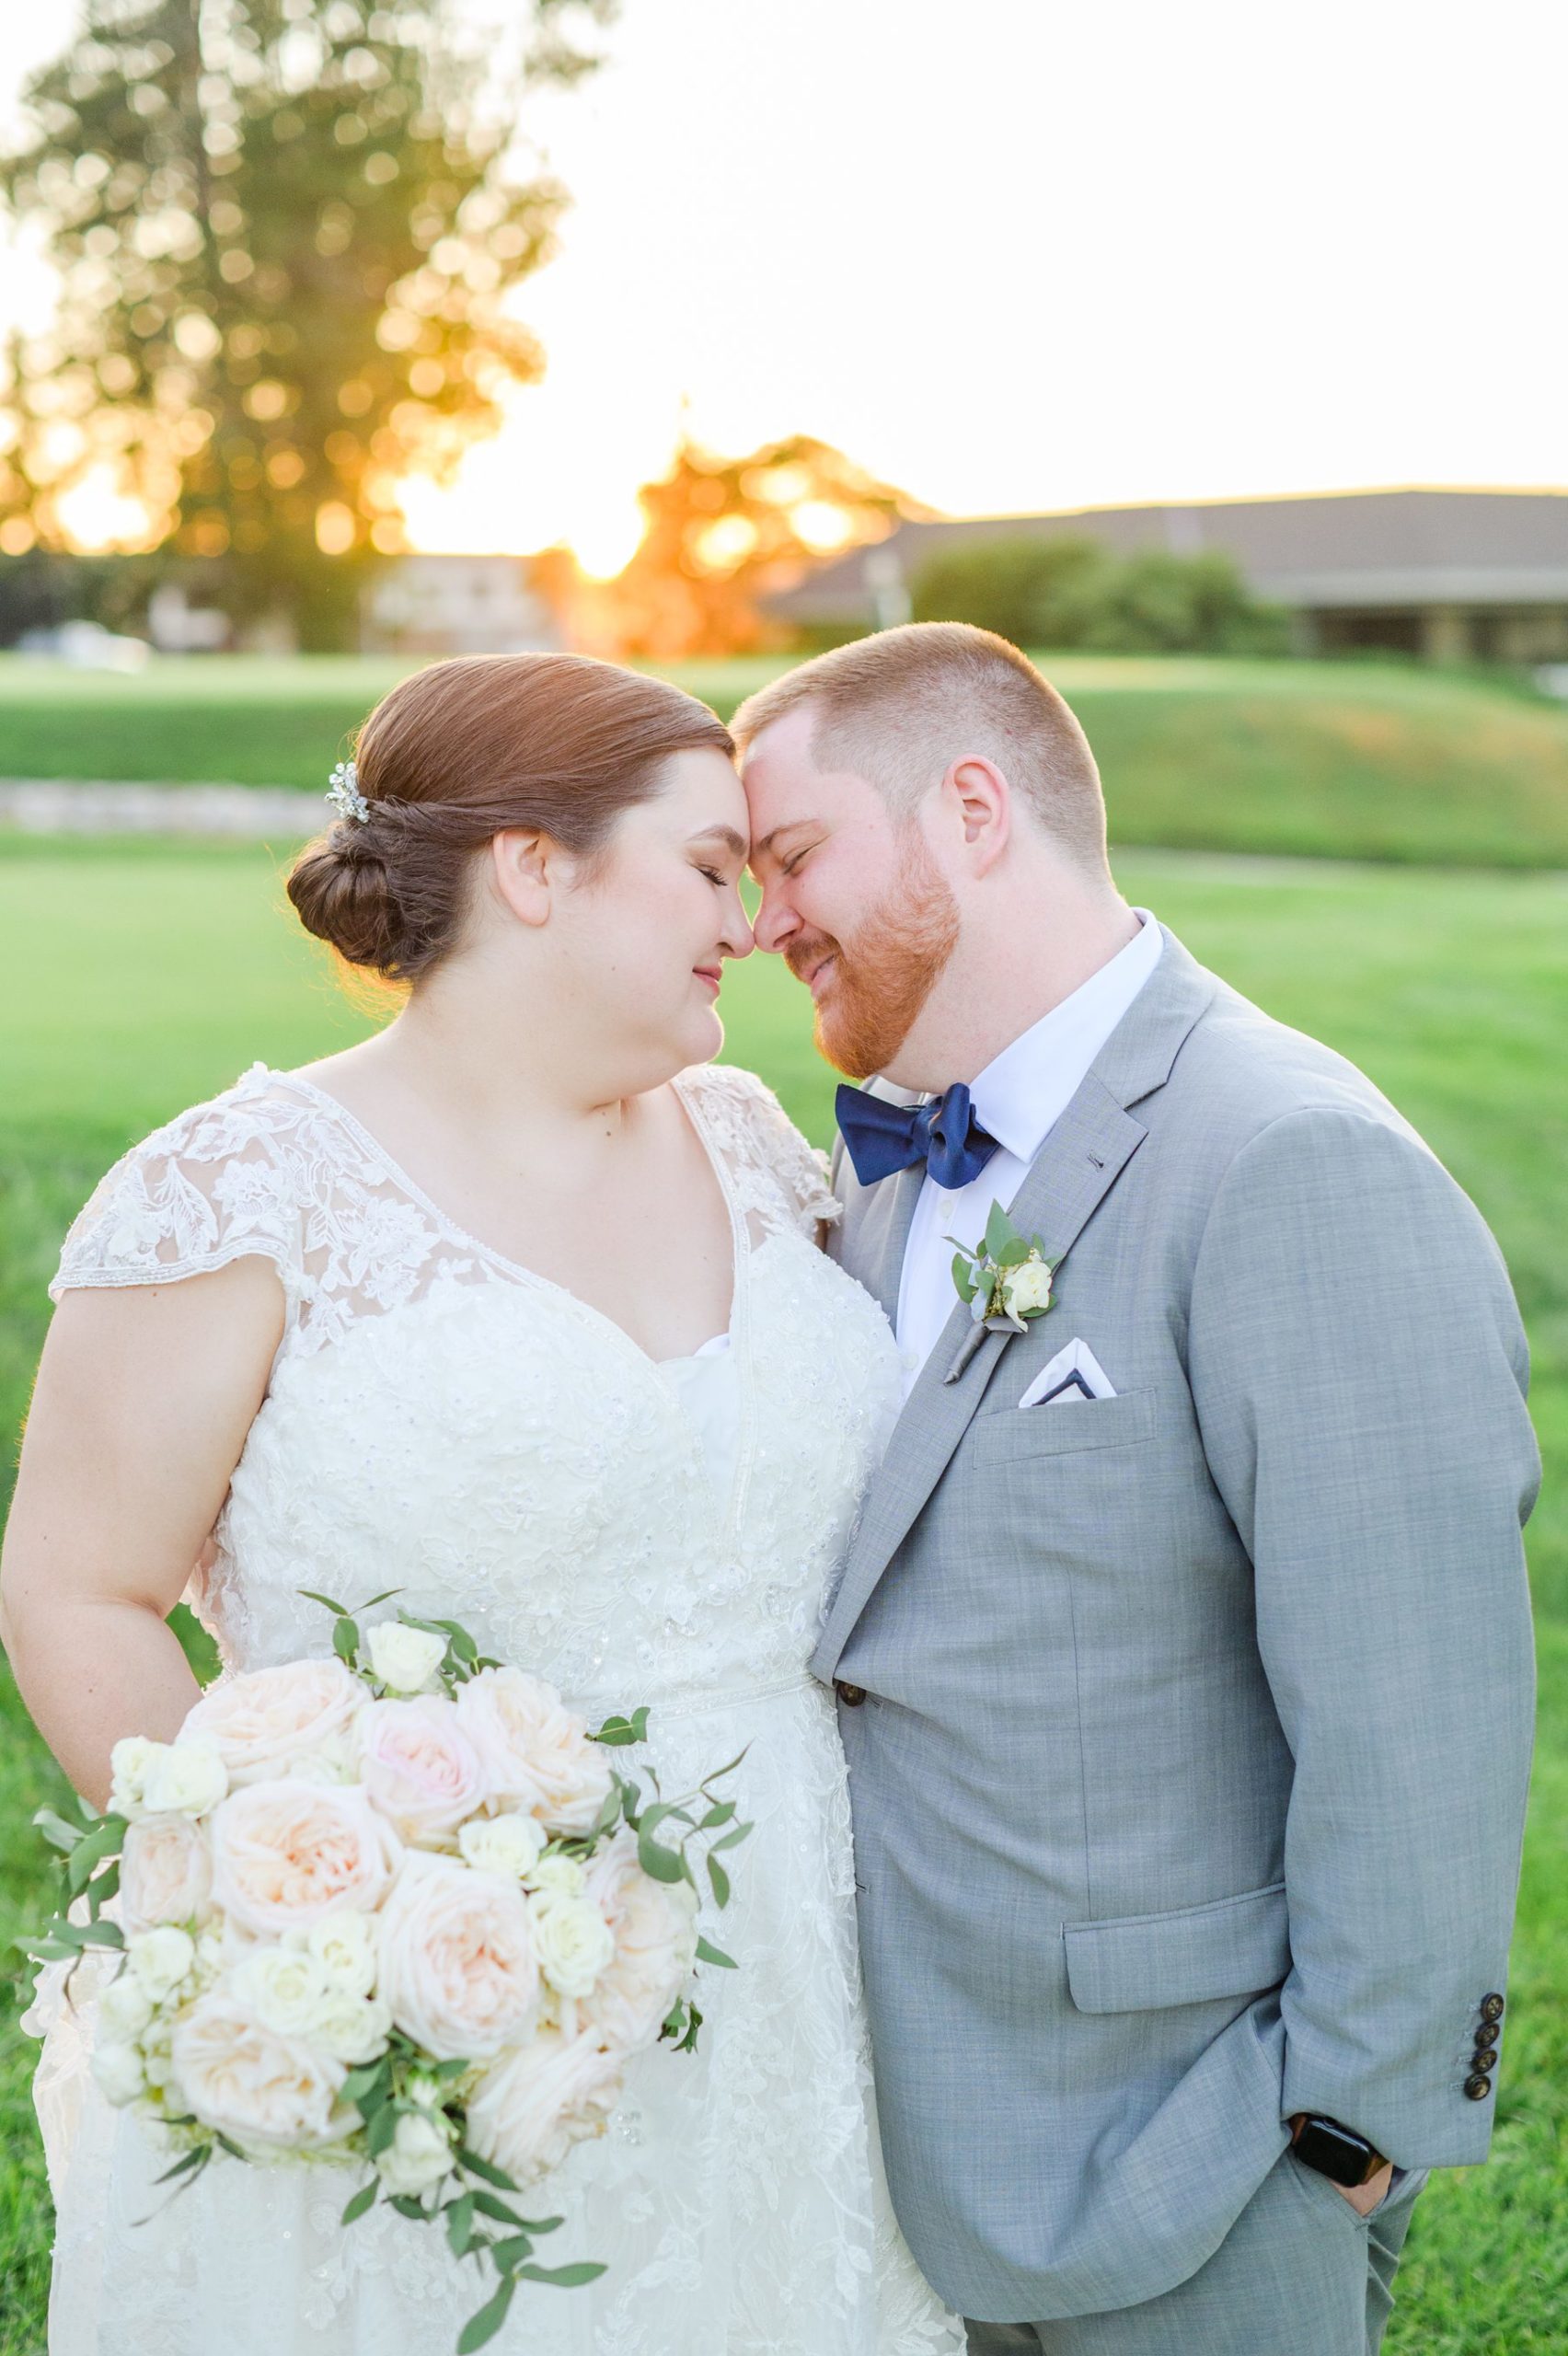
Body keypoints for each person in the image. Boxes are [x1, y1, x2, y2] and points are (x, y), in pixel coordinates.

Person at [2, 652, 964, 2356]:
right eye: (708, 867)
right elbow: (79, 1591)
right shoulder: (239, 1191)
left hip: (798, 1979)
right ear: (534, 866)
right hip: (437, 2001)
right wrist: (311, 1927)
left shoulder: (749, 1140)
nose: (749, 924)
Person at [734, 621, 1539, 2356]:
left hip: (1192, 2169)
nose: (760, 920)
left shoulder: (1289, 1160)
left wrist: (1346, 2136)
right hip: (881, 2166)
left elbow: (1420, 1716)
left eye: (794, 855)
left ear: (969, 808)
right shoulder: (880, 1173)